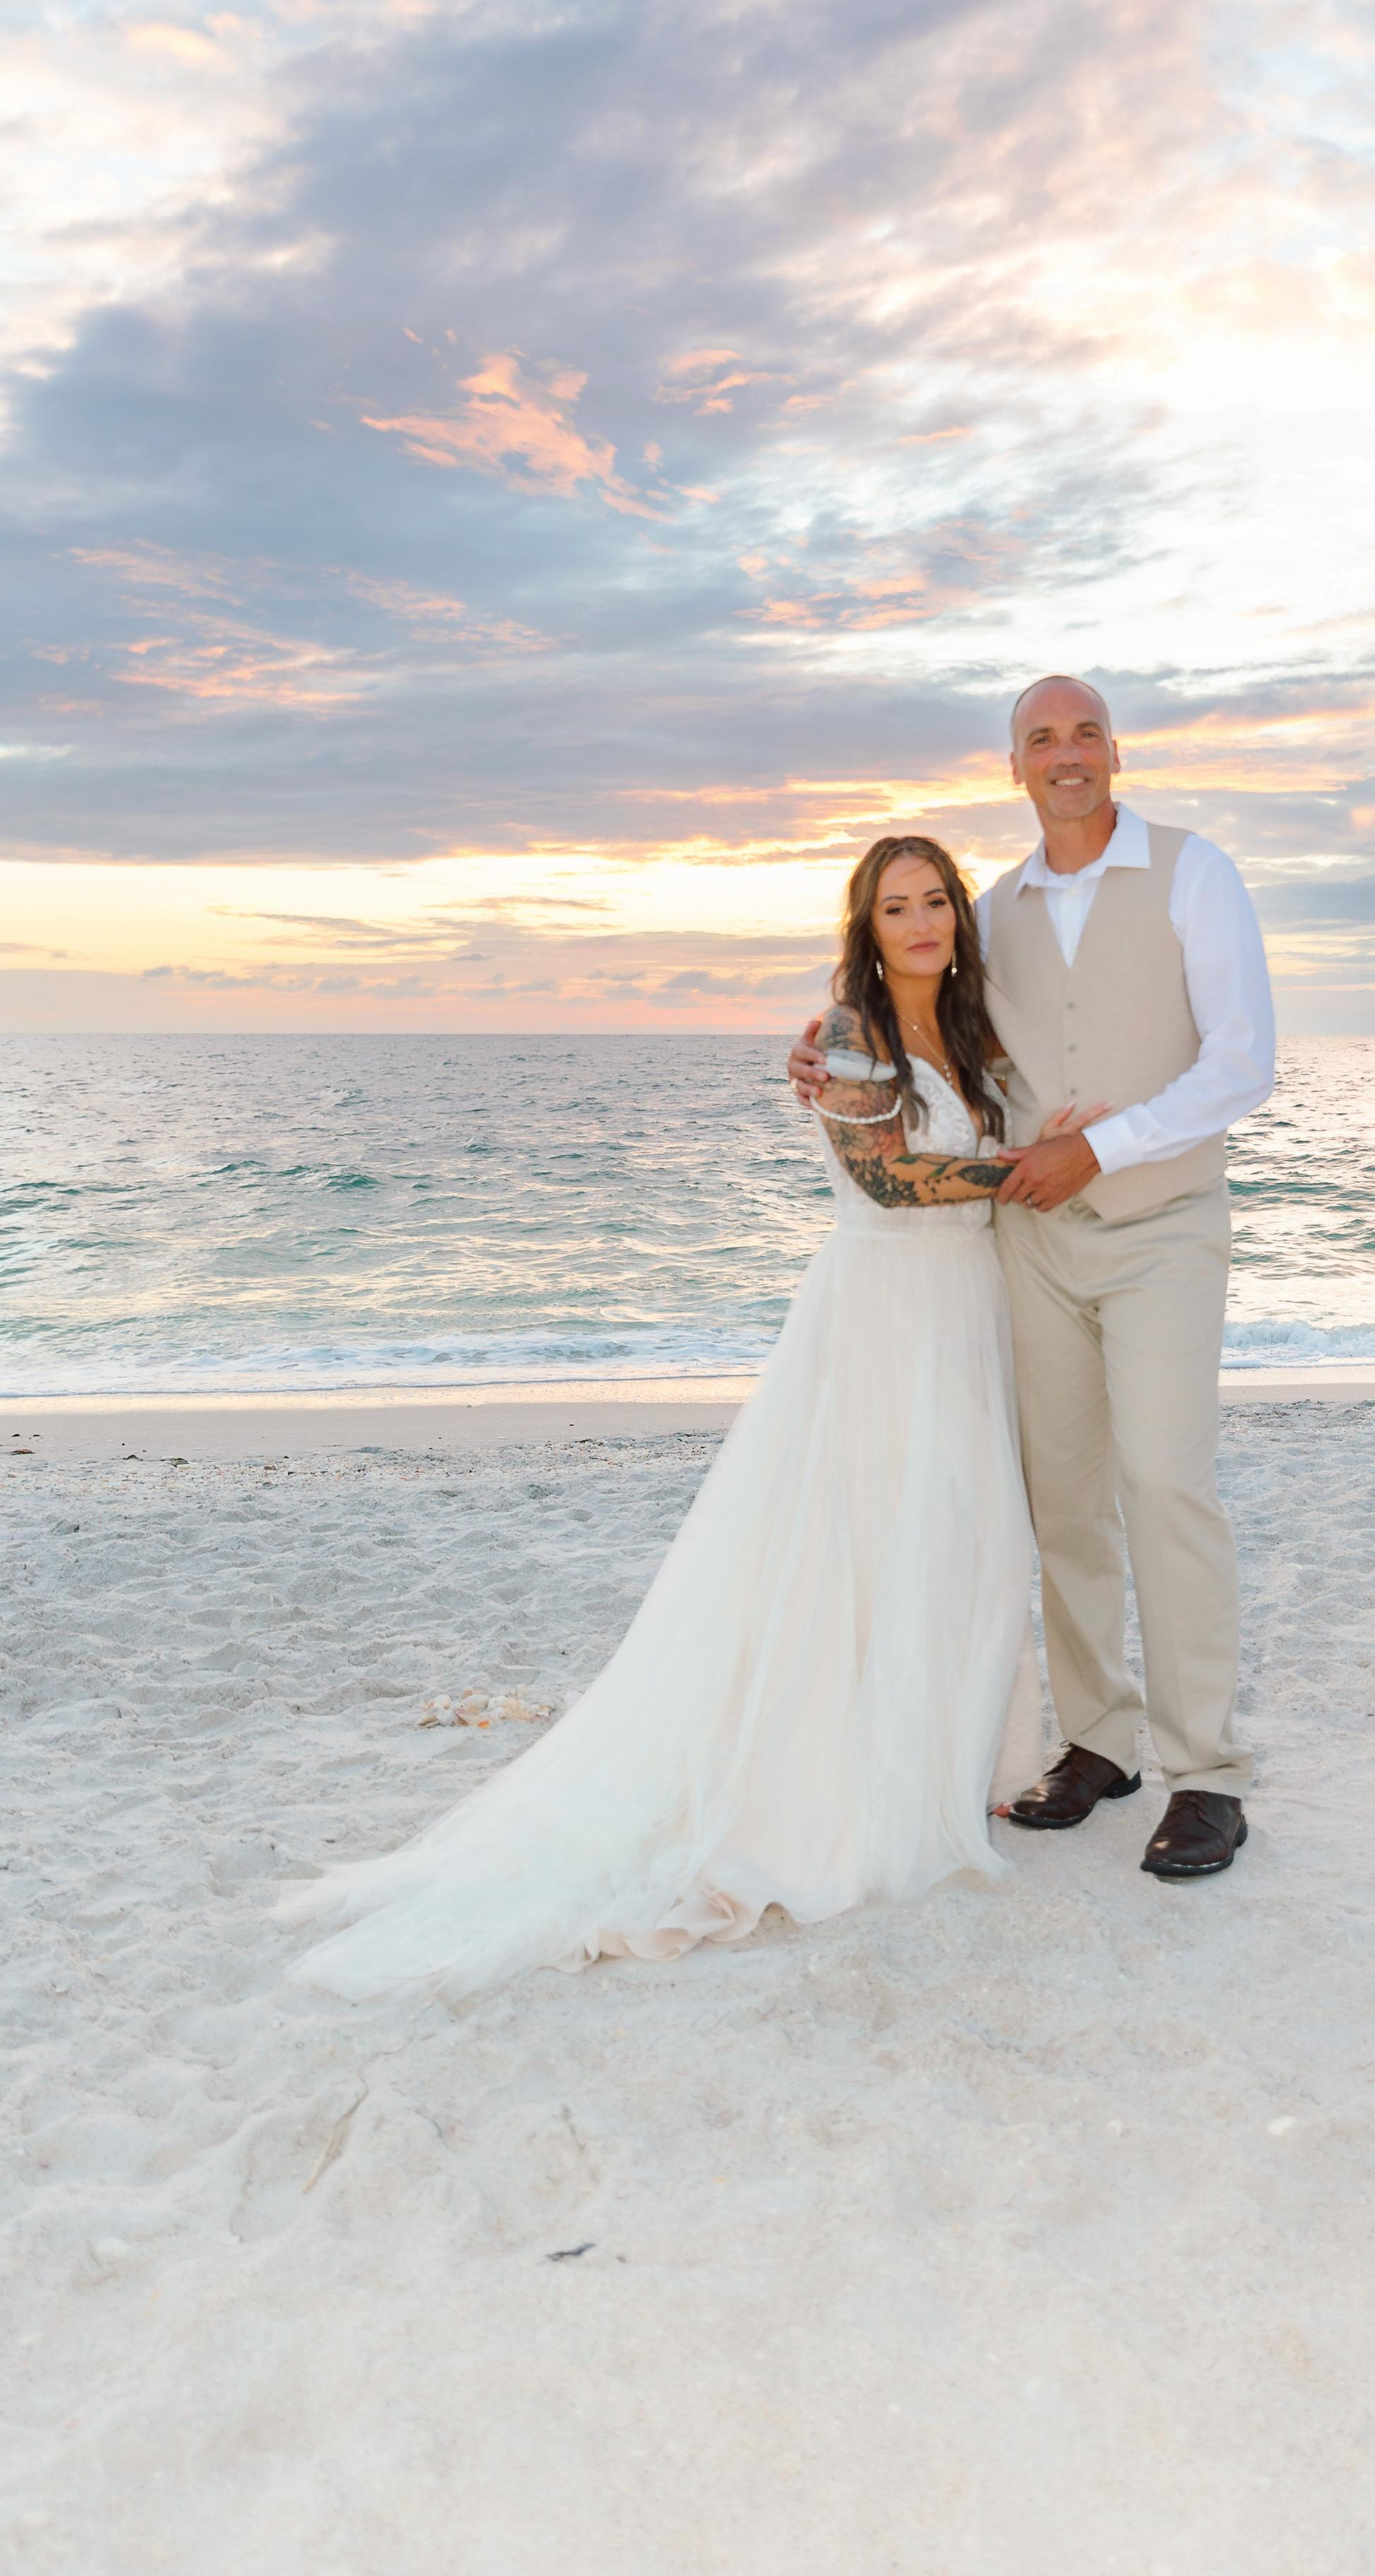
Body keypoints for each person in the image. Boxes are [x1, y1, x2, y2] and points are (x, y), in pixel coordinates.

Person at [283, 836, 1096, 1997]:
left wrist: (1075, 1134)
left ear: (958, 919)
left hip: (966, 1301)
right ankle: (853, 1776)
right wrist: (1029, 1166)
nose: (919, 924)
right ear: (865, 928)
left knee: (963, 1527)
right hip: (882, 1306)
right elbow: (883, 1177)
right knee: (863, 1532)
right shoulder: (850, 1034)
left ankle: (967, 1757)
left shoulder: (968, 1032)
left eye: (934, 904)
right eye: (894, 908)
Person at [791, 675, 1276, 1880]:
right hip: (1033, 1246)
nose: (1067, 755)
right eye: (1041, 739)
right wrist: (828, 1039)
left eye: (1086, 733)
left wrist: (1098, 1149)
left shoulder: (1192, 872)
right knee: (1060, 1502)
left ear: (1116, 751)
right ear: (1016, 767)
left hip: (1161, 1225)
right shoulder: (992, 909)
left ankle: (1204, 1771)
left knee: (1164, 1483)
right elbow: (930, 1014)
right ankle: (1099, 1742)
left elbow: (1245, 1063)